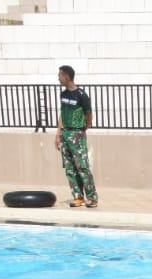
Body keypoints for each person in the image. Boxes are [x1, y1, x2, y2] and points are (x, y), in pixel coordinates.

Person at [56, 65, 98, 209]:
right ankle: (78, 197)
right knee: (69, 168)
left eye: (60, 75)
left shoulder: (81, 95)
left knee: (82, 167)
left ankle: (92, 198)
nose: (58, 78)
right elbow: (62, 114)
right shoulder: (63, 94)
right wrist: (58, 134)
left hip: (77, 134)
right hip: (65, 133)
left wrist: (81, 130)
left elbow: (89, 116)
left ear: (67, 76)